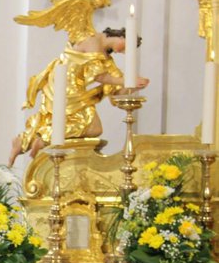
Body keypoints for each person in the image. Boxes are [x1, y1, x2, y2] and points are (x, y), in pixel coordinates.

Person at [8, 27, 150, 166]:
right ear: (121, 36)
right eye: (125, 47)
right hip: (65, 86)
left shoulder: (106, 58)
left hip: (76, 90)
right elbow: (99, 76)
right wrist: (126, 80)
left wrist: (133, 84)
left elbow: (117, 89)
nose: (122, 52)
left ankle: (25, 141)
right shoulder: (92, 39)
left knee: (90, 128)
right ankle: (43, 139)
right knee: (91, 127)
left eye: (126, 51)